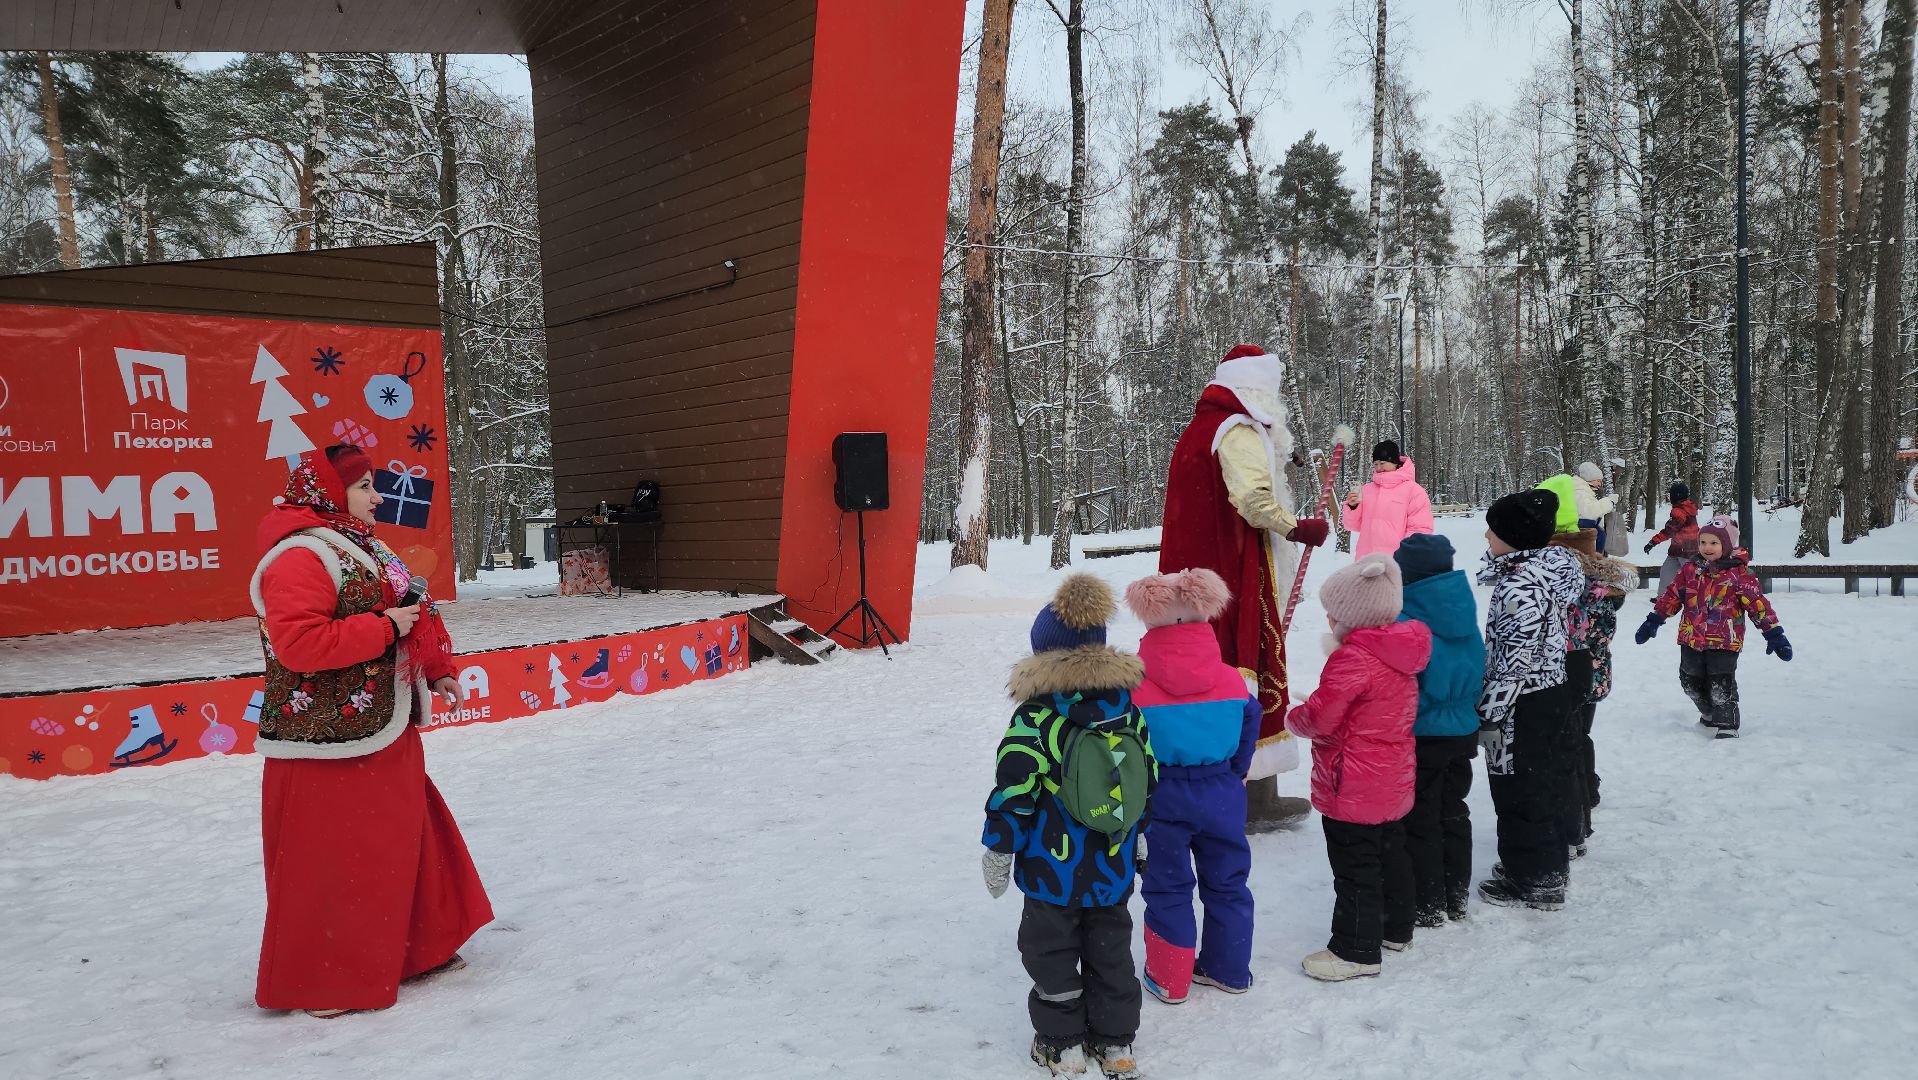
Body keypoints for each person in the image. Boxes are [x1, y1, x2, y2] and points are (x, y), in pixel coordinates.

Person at [251, 445, 492, 1018]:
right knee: (336, 854)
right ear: (330, 494)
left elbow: (416, 609)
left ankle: (416, 948)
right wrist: (383, 627)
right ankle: (325, 978)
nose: (377, 497)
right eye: (363, 488)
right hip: (326, 738)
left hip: (382, 722)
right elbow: (298, 646)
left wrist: (438, 669)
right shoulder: (299, 557)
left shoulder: (364, 544)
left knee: (404, 834)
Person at [981, 574, 1156, 1079]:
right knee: (1111, 950)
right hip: (1112, 863)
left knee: (1051, 952)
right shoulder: (1128, 712)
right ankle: (1116, 1043)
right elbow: (1146, 777)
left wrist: (999, 847)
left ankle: (1062, 1046)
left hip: (1051, 869)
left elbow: (1015, 789)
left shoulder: (1036, 718)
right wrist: (1138, 830)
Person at [1159, 344, 1330, 805]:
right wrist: (1298, 528)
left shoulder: (1201, 428)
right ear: (1259, 391)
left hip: (1195, 575)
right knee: (1243, 662)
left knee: (1200, 667)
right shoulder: (1237, 428)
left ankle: (1205, 787)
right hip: (1231, 571)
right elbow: (1252, 500)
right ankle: (1252, 795)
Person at [1285, 554, 1431, 981]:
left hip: (1352, 783)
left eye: (1333, 612)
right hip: (1392, 777)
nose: (1329, 620)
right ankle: (1395, 926)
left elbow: (1323, 717)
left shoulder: (1353, 659)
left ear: (1350, 617)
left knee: (1354, 866)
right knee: (1391, 852)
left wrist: (1294, 717)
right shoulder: (1399, 654)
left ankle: (1355, 948)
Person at [1125, 569, 1260, 1005]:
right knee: (1228, 881)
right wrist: (1235, 769)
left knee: (1167, 884)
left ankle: (1170, 976)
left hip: (1161, 794)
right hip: (1221, 790)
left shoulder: (1134, 686)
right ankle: (1229, 967)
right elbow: (1249, 722)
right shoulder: (1231, 679)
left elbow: (1126, 744)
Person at [1475, 489, 1586, 912]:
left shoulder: (1520, 584)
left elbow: (1512, 660)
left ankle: (1536, 878)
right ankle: (1542, 864)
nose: (1486, 535)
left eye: (1495, 529)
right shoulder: (1545, 572)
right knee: (1545, 781)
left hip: (1524, 701)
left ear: (1516, 537)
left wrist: (1490, 712)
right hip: (1551, 692)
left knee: (1520, 788)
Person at [1392, 534, 1485, 926]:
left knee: (1421, 816)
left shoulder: (1405, 617)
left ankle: (1427, 900)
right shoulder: (1462, 609)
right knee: (1453, 809)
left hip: (1424, 729)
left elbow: (1404, 679)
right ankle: (1455, 894)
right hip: (1462, 727)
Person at [1634, 517, 1791, 739]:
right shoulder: (1690, 570)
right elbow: (1671, 596)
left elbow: (1758, 606)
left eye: (1714, 543)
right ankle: (1708, 712)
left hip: (1725, 639)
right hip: (1691, 636)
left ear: (1727, 546)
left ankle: (1727, 722)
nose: (1707, 548)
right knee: (1689, 680)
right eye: (1703, 542)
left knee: (1720, 682)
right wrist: (1654, 620)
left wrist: (1774, 634)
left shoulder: (1739, 575)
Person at [1547, 528, 1636, 854]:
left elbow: (1581, 636)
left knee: (1574, 737)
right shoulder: (1599, 592)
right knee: (1580, 735)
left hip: (1579, 672)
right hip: (1593, 673)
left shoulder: (1590, 595)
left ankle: (1584, 793)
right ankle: (1588, 789)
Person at [1339, 440, 1436, 560]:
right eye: (1375, 464)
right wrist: (1353, 507)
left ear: (1395, 462)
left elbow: (1420, 529)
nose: (1379, 468)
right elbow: (1352, 525)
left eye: (1382, 463)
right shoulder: (1366, 490)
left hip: (1396, 563)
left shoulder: (1414, 491)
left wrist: (1406, 555)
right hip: (1366, 562)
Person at [1645, 481, 1701, 595]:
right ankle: (1663, 597)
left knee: (1691, 576)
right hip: (1679, 549)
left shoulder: (1679, 512)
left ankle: (1696, 597)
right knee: (1667, 571)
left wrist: (1653, 542)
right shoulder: (1688, 507)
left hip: (1686, 550)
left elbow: (1669, 531)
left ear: (1675, 496)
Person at [1571, 462, 1618, 550]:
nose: (1600, 484)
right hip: (1584, 539)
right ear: (1590, 478)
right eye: (1598, 480)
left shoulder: (1583, 491)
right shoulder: (1579, 492)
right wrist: (1609, 502)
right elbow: (1590, 512)